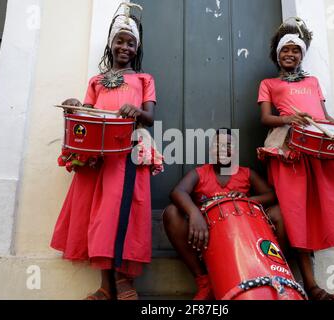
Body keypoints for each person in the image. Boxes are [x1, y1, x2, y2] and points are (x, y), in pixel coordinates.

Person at [50, 4, 157, 300]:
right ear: (111, 45)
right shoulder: (95, 82)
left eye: (131, 42)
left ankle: (124, 281)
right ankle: (105, 287)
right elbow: (89, 113)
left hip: (126, 153)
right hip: (98, 155)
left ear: (137, 48)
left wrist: (135, 110)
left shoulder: (144, 80)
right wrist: (77, 105)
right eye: (119, 41)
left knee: (120, 212)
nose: (125, 46)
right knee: (99, 216)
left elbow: (150, 117)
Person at [257, 18, 334, 300]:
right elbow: (266, 118)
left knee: (319, 211)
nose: (290, 55)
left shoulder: (313, 82)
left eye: (296, 50)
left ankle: (307, 285)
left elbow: (324, 118)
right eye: (285, 50)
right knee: (294, 215)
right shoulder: (269, 83)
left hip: (318, 148)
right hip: (288, 149)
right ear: (277, 55)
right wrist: (290, 117)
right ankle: (308, 285)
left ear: (302, 54)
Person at [163, 129, 284, 300]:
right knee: (172, 212)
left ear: (235, 151)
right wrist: (194, 213)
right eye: (217, 145)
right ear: (211, 151)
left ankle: (274, 271)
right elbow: (178, 192)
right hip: (207, 240)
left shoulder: (246, 174)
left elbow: (271, 195)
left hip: (243, 242)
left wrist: (249, 199)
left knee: (279, 213)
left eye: (228, 145)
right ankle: (204, 281)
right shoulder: (201, 173)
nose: (222, 149)